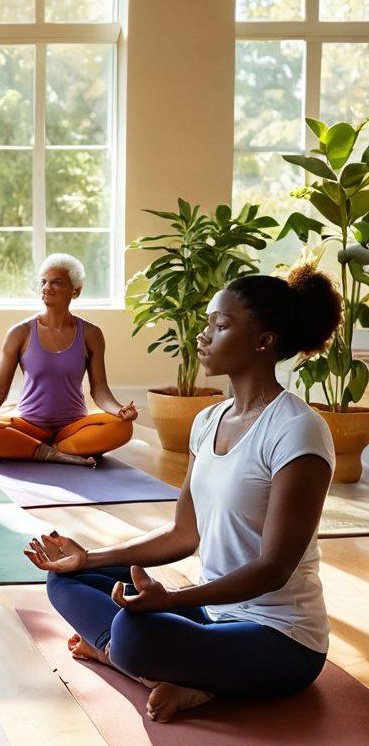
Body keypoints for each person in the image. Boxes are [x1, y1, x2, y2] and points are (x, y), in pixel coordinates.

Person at [26, 266, 341, 722]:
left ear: (263, 341)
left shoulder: (298, 431)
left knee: (137, 634)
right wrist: (89, 558)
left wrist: (171, 602)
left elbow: (274, 569)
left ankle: (133, 660)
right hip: (210, 613)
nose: (203, 335)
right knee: (65, 580)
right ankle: (166, 674)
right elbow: (182, 534)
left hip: (279, 638)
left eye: (220, 325)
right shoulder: (208, 422)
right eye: (207, 323)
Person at [0, 254, 137, 466]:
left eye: (56, 282)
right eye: (43, 282)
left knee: (123, 427)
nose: (46, 288)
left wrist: (119, 410)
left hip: (73, 427)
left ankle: (49, 449)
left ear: (75, 291)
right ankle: (54, 453)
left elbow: (99, 388)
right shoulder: (20, 332)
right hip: (28, 424)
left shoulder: (91, 334)